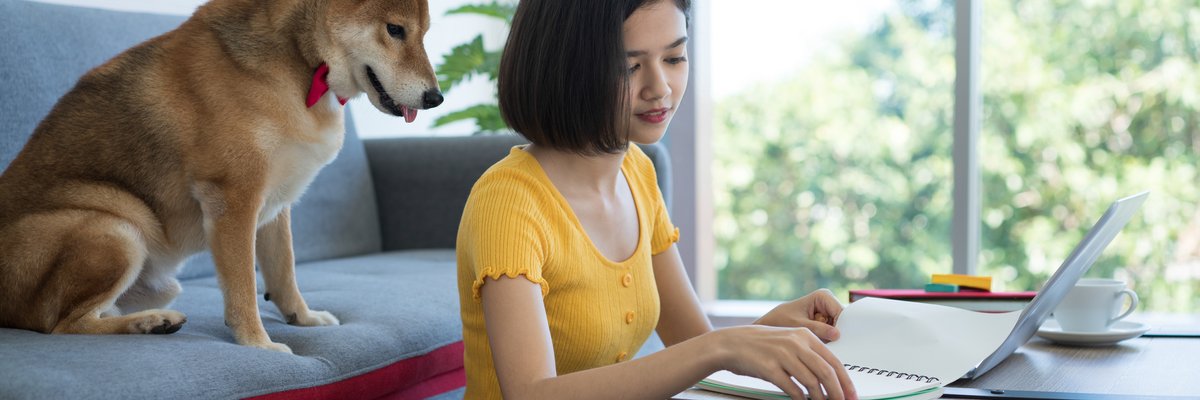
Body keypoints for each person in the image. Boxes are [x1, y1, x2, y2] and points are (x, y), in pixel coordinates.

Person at [455, 1, 858, 399]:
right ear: (565, 68)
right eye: (629, 67)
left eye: (675, 57)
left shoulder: (637, 174)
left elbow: (696, 346)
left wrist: (768, 332)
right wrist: (724, 346)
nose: (660, 88)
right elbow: (530, 395)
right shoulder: (508, 204)